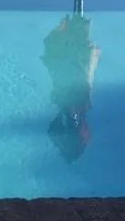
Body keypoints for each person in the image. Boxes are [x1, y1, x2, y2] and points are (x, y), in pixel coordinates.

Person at [42, 14, 100, 162]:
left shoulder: (75, 109)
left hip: (72, 85)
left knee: (60, 50)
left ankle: (75, 30)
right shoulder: (76, 107)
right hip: (73, 86)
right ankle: (76, 30)